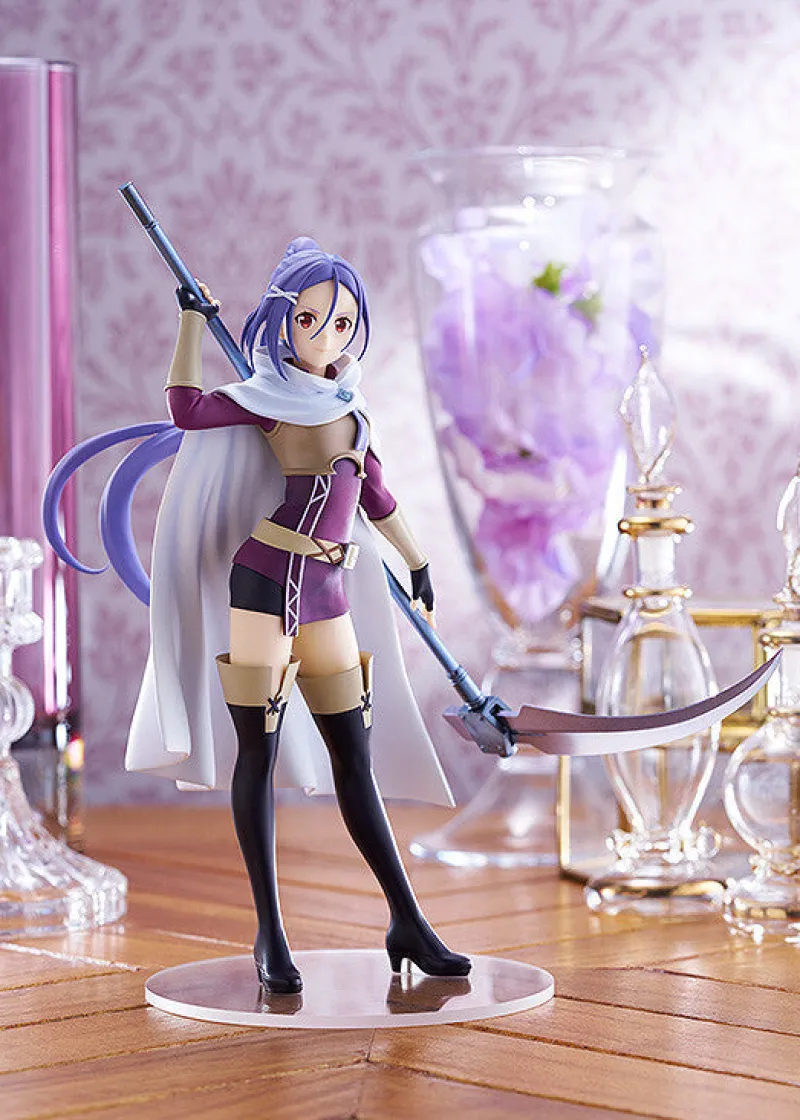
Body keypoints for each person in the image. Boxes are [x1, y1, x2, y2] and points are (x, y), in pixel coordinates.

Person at [50, 237, 470, 995]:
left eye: (342, 323)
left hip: (329, 591)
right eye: (310, 320)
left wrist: (418, 561)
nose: (326, 336)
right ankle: (269, 933)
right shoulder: (264, 398)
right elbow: (186, 409)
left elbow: (377, 500)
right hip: (265, 579)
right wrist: (191, 319)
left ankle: (408, 921)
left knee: (355, 758)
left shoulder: (352, 412)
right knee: (260, 754)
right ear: (282, 321)